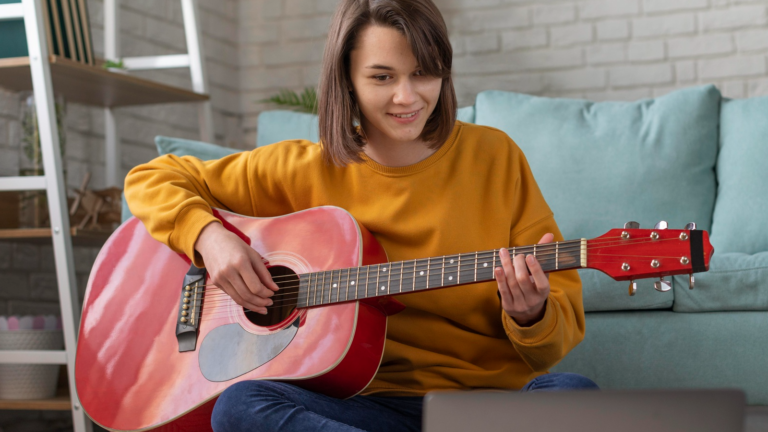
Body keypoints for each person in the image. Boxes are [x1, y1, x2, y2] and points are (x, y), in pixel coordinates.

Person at [124, 0, 597, 430]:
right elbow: (151, 177)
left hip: (485, 405)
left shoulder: (496, 157)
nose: (407, 97)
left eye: (423, 73)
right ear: (346, 78)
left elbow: (556, 340)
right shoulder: (301, 168)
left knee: (574, 397)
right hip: (358, 406)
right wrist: (208, 237)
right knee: (240, 407)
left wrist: (532, 313)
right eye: (382, 77)